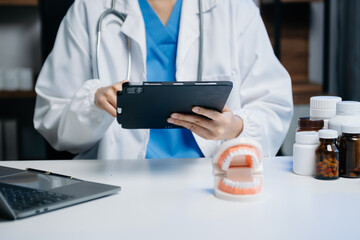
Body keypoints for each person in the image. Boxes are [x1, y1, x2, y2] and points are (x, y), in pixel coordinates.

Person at [34, 0, 293, 160]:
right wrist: (93, 103)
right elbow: (52, 117)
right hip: (118, 181)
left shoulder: (235, 9)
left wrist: (235, 128)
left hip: (211, 179)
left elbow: (273, 105)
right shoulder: (89, 9)